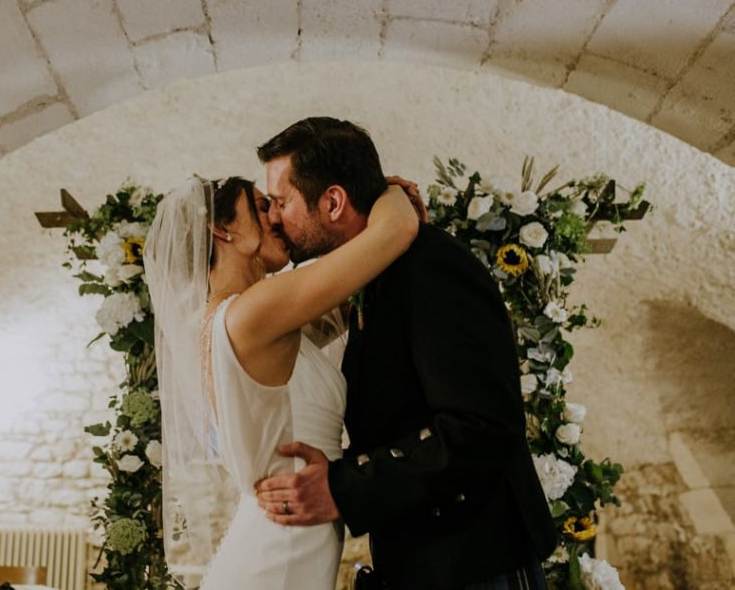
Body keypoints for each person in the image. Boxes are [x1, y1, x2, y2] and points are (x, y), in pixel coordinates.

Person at [254, 117, 557, 590]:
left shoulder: (431, 268)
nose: (273, 216)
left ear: (332, 202)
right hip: (430, 561)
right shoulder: (377, 271)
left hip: (475, 565)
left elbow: (482, 427)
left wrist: (343, 487)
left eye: (281, 201)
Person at [145, 175, 419, 589]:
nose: (275, 217)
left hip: (284, 543)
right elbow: (396, 230)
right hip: (279, 557)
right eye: (260, 206)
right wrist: (384, 190)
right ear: (222, 228)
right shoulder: (252, 313)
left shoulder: (253, 319)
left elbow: (357, 283)